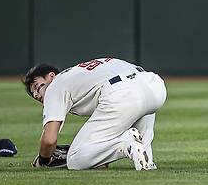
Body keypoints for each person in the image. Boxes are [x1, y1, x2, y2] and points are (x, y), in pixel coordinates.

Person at [22, 57, 167, 170]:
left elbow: (49, 140)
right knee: (140, 148)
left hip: (122, 92)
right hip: (154, 85)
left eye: (36, 87)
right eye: (32, 93)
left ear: (51, 76)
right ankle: (145, 159)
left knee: (74, 159)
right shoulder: (81, 72)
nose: (36, 95)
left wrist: (43, 160)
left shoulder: (55, 86)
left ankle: (126, 142)